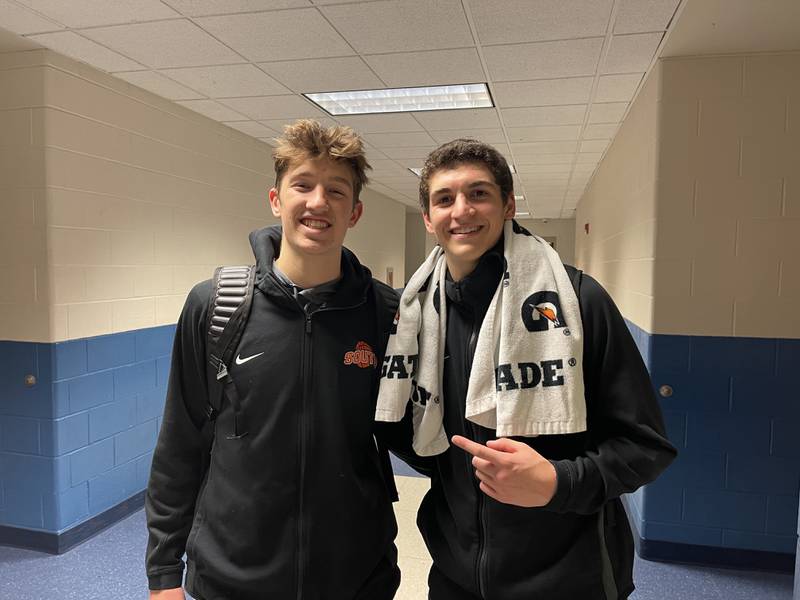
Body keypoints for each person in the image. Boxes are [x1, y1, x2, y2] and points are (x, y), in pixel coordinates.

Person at [376, 139, 677, 600]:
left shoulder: (577, 301)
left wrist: (558, 483)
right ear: (427, 217)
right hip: (455, 574)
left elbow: (645, 447)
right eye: (444, 198)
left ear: (508, 205)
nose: (462, 211)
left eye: (479, 194)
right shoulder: (415, 316)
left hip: (568, 578)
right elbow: (413, 432)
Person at [145, 120, 400, 600]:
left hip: (353, 577)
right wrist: (162, 575)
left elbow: (411, 432)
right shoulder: (216, 305)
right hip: (231, 578)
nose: (318, 202)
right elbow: (180, 443)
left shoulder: (383, 313)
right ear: (276, 200)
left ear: (356, 211)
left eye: (336, 190)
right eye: (302, 185)